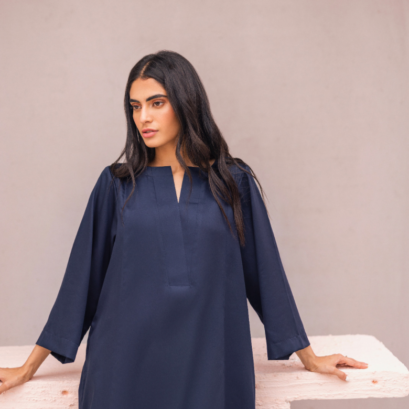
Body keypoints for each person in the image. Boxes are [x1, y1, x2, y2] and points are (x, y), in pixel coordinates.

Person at [0, 50, 368, 408]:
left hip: (212, 365)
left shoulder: (232, 182)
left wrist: (309, 357)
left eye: (156, 103)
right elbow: (82, 280)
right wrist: (27, 368)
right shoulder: (117, 186)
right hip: (123, 367)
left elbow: (266, 273)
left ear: (185, 102)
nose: (143, 117)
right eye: (135, 106)